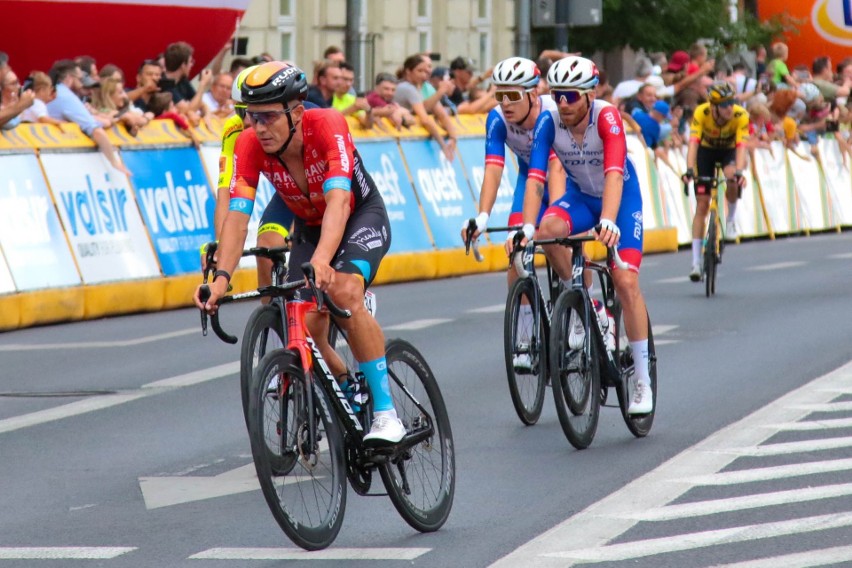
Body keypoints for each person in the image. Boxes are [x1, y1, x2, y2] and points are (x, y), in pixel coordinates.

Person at [194, 61, 405, 444]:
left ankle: (387, 414)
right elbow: (238, 220)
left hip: (359, 214)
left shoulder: (326, 124)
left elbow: (340, 200)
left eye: (269, 117)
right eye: (252, 117)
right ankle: (347, 387)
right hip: (309, 225)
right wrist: (220, 280)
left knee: (342, 291)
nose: (259, 128)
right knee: (305, 324)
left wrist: (324, 260)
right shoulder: (248, 144)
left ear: (296, 110)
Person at [520, 55, 653, 414]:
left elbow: (613, 172)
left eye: (571, 96)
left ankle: (642, 379)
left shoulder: (607, 117)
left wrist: (609, 221)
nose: (562, 103)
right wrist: (528, 228)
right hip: (580, 197)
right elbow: (535, 177)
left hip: (620, 199)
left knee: (625, 281)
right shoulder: (549, 120)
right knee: (547, 231)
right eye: (557, 95)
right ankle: (588, 301)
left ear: (590, 95)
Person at [462, 56, 565, 371]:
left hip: (563, 176)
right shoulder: (496, 119)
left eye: (513, 96)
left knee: (562, 238)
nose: (505, 103)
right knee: (516, 250)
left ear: (534, 94)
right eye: (499, 95)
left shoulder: (553, 114)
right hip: (528, 180)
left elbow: (556, 167)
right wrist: (482, 216)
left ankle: (592, 306)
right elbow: (493, 170)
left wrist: (555, 219)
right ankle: (524, 335)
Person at [210, 64, 297, 293]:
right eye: (245, 113)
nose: (253, 124)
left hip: (316, 192)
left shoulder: (294, 123)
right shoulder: (234, 131)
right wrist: (222, 246)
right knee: (266, 250)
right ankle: (275, 320)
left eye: (264, 114)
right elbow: (226, 193)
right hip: (287, 193)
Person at [682, 81, 750, 279]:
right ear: (714, 107)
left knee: (731, 177)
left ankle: (730, 221)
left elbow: (741, 147)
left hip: (729, 151)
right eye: (724, 105)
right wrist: (688, 169)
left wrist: (739, 172)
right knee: (702, 205)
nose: (729, 108)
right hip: (706, 152)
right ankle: (695, 263)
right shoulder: (701, 113)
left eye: (731, 103)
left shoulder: (740, 115)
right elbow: (693, 144)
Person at [46, 60, 131, 176]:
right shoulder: (66, 96)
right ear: (69, 78)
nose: (83, 84)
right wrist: (115, 162)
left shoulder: (54, 91)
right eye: (80, 79)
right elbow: (96, 131)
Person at [394, 54, 458, 161]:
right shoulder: (407, 88)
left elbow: (439, 111)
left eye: (426, 72)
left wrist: (453, 137)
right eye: (419, 71)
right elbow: (425, 119)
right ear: (408, 71)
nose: (424, 75)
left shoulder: (421, 87)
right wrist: (443, 145)